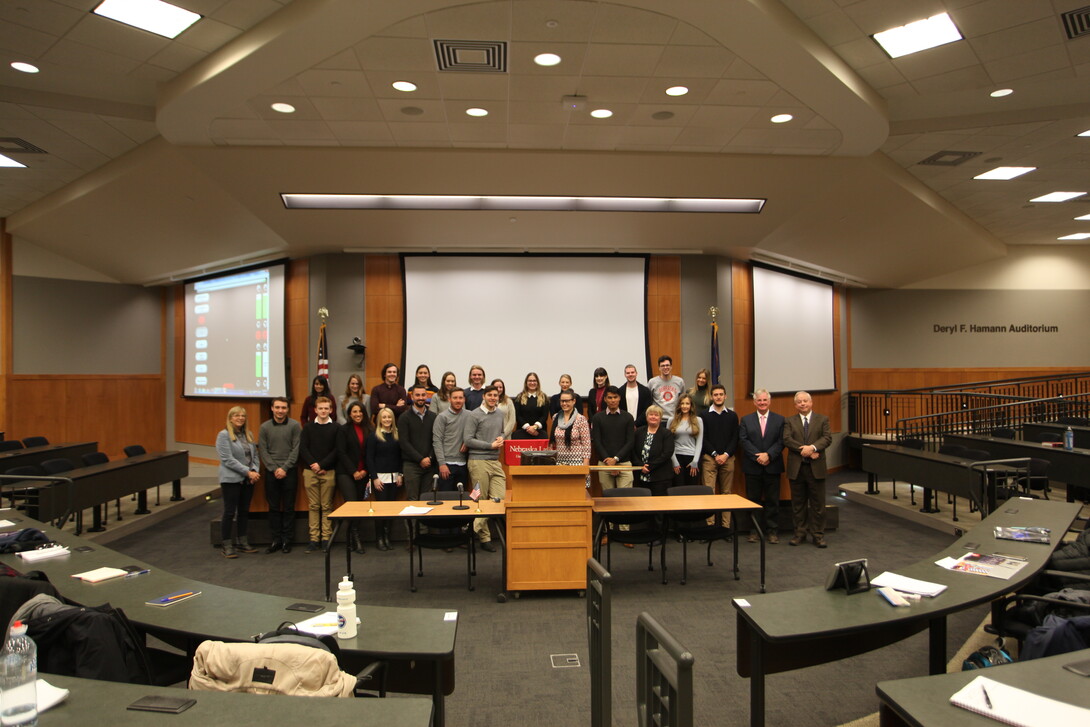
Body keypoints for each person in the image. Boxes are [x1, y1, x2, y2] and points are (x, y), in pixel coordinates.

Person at [784, 391, 832, 548]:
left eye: (805, 401)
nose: (802, 404)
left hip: (816, 468)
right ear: (795, 405)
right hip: (797, 468)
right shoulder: (789, 421)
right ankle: (800, 533)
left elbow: (827, 438)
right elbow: (787, 439)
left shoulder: (822, 419)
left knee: (818, 503)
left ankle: (818, 535)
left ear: (811, 403)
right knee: (798, 504)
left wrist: (812, 447)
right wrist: (803, 450)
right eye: (799, 402)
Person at [738, 389, 785, 544]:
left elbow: (781, 441)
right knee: (753, 500)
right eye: (759, 400)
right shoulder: (746, 420)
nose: (762, 403)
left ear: (769, 401)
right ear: (754, 402)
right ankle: (754, 531)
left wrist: (768, 455)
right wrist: (758, 456)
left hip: (773, 465)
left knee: (773, 501)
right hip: (753, 466)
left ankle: (772, 532)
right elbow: (743, 441)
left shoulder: (780, 420)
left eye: (765, 400)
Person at [464, 384, 506, 551]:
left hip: (495, 462)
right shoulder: (474, 415)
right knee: (481, 500)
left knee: (498, 500)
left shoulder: (499, 414)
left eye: (495, 395)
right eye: (489, 395)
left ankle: (469, 529)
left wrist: (501, 439)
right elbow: (468, 440)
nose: (493, 398)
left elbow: (502, 432)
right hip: (478, 461)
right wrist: (490, 445)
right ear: (484, 396)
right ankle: (485, 538)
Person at [216, 406, 261, 558]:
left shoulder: (248, 434)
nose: (240, 418)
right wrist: (247, 472)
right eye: (236, 416)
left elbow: (254, 455)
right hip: (231, 480)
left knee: (243, 512)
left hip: (248, 480)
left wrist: (254, 471)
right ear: (230, 418)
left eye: (242, 416)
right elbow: (227, 459)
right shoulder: (223, 436)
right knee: (229, 512)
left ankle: (242, 541)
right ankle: (227, 545)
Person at [258, 396, 300, 554]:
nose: (280, 411)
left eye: (283, 408)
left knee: (289, 508)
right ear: (272, 408)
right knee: (273, 508)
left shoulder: (295, 426)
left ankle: (287, 541)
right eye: (277, 407)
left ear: (288, 409)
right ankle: (276, 540)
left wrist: (285, 468)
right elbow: (263, 450)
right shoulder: (264, 427)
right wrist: (274, 468)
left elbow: (296, 449)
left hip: (289, 472)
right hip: (271, 473)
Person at [299, 395, 338, 552]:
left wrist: (322, 465)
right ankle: (314, 538)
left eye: (326, 408)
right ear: (315, 410)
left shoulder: (336, 428)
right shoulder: (308, 427)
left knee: (327, 506)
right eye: (320, 408)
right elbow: (303, 448)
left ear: (331, 410)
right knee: (314, 506)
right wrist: (314, 465)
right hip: (310, 472)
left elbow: (337, 450)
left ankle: (326, 538)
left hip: (328, 471)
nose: (323, 411)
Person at [366, 407, 403, 551]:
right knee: (380, 510)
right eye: (384, 417)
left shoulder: (396, 435)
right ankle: (379, 538)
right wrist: (374, 477)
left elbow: (400, 457)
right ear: (379, 419)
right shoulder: (374, 436)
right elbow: (369, 458)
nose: (387, 420)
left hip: (394, 477)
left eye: (389, 417)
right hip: (379, 478)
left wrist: (400, 474)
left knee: (390, 509)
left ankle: (387, 537)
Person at [336, 401, 369, 554]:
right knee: (352, 504)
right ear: (349, 414)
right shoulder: (344, 430)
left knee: (360, 506)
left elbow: (370, 453)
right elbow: (341, 452)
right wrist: (353, 471)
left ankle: (354, 537)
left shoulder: (369, 429)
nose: (358, 414)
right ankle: (354, 539)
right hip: (346, 473)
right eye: (354, 412)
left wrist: (364, 471)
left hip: (363, 473)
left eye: (360, 411)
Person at [590, 385, 635, 490]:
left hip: (624, 463)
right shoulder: (597, 418)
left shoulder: (628, 417)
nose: (613, 400)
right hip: (605, 463)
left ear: (619, 398)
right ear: (605, 399)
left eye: (615, 397)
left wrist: (616, 459)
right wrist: (609, 461)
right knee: (607, 499)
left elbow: (630, 442)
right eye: (610, 397)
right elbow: (597, 441)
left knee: (626, 499)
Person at [398, 383, 437, 501]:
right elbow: (404, 443)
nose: (421, 397)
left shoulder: (433, 416)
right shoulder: (404, 417)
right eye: (417, 395)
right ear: (412, 397)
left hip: (429, 465)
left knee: (427, 500)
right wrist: (420, 459)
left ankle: (423, 521)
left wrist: (429, 458)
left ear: (427, 397)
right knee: (413, 500)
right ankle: (413, 521)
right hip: (411, 465)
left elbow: (436, 440)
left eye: (423, 395)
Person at [700, 384, 739, 497]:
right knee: (708, 493)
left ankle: (726, 516)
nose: (718, 397)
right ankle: (710, 516)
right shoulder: (704, 415)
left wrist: (726, 455)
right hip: (709, 458)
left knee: (726, 493)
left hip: (728, 458)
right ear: (711, 397)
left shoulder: (732, 415)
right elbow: (703, 438)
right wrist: (715, 454)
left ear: (725, 396)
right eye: (715, 395)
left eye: (721, 394)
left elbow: (735, 437)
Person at [432, 388, 469, 492]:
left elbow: (476, 433)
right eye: (455, 398)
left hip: (463, 465)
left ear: (464, 400)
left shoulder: (470, 415)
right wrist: (442, 464)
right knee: (446, 499)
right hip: (446, 465)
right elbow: (437, 441)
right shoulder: (442, 417)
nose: (458, 400)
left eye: (460, 398)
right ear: (449, 399)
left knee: (461, 499)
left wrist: (467, 442)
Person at [634, 405, 675, 497]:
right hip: (640, 474)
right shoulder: (638, 432)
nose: (653, 417)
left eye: (656, 415)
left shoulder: (666, 433)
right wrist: (640, 465)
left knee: (659, 506)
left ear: (660, 418)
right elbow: (632, 451)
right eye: (651, 414)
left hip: (660, 477)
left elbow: (667, 453)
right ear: (646, 416)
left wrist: (649, 466)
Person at [669, 393, 704, 487]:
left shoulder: (698, 420)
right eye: (682, 403)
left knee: (692, 490)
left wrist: (695, 461)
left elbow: (699, 442)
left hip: (692, 459)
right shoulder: (671, 420)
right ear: (679, 405)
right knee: (678, 489)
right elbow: (669, 443)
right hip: (677, 458)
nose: (685, 406)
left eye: (687, 403)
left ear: (691, 405)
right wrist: (674, 462)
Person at [550, 390, 591, 466]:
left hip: (577, 462)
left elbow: (586, 446)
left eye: (567, 401)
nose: (564, 403)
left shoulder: (581, 419)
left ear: (574, 401)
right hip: (560, 462)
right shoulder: (555, 417)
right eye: (562, 401)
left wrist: (585, 467)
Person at [647, 355, 685, 422]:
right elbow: (648, 401)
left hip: (675, 419)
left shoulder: (680, 381)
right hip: (658, 420)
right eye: (663, 366)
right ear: (659, 368)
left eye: (667, 365)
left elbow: (682, 401)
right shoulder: (652, 382)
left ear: (671, 366)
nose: (665, 367)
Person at [512, 372, 549, 440]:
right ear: (526, 383)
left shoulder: (544, 397)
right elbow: (518, 415)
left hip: (539, 433)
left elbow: (544, 416)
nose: (532, 383)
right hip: (522, 433)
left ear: (537, 382)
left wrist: (535, 427)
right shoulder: (519, 397)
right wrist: (528, 428)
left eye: (534, 380)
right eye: (530, 381)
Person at [620, 364, 653, 428]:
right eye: (628, 373)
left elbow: (647, 409)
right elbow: (620, 410)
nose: (630, 374)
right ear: (625, 375)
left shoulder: (645, 391)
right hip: (625, 426)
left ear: (636, 373)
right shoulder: (620, 391)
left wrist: (635, 424)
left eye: (632, 372)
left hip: (641, 426)